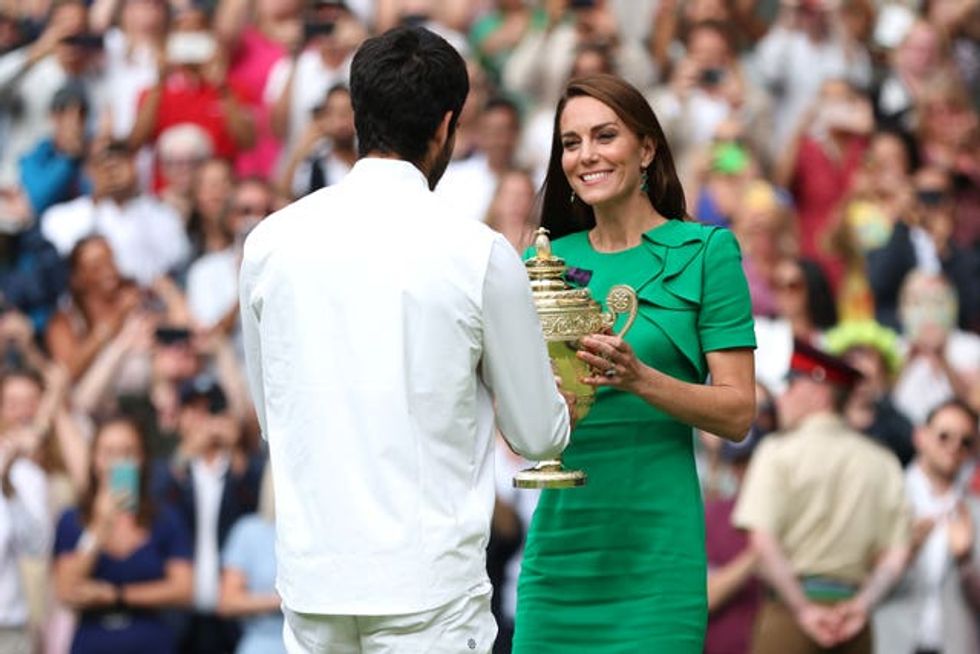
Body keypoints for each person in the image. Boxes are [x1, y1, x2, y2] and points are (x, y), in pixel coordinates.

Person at [238, 26, 571, 653]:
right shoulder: (478, 253)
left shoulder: (268, 244)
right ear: (445, 127)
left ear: (357, 115)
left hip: (315, 586)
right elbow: (537, 436)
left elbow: (270, 418)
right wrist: (566, 398)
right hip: (429, 594)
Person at [512, 73, 757, 653]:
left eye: (605, 136)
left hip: (656, 555)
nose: (586, 155)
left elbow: (738, 413)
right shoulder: (540, 262)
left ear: (646, 149)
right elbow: (517, 429)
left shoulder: (707, 252)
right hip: (561, 555)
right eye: (571, 143)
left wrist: (639, 379)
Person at [733, 340, 911, 654]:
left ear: (819, 392)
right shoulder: (882, 461)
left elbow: (762, 542)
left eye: (791, 386)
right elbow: (896, 554)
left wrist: (803, 610)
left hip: (788, 616)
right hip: (852, 620)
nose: (782, 398)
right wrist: (862, 605)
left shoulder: (776, 452)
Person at [52, 417, 193, 654]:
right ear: (95, 460)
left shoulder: (165, 518)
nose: (117, 462)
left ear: (142, 459)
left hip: (151, 641)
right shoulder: (72, 519)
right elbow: (66, 590)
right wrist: (99, 529)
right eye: (109, 453)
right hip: (93, 640)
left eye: (128, 452)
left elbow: (184, 589)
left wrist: (117, 595)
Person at [873, 399, 980, 654]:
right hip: (892, 643)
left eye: (965, 441)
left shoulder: (974, 511)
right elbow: (858, 585)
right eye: (944, 436)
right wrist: (905, 553)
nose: (954, 447)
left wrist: (965, 561)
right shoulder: (886, 497)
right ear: (920, 436)